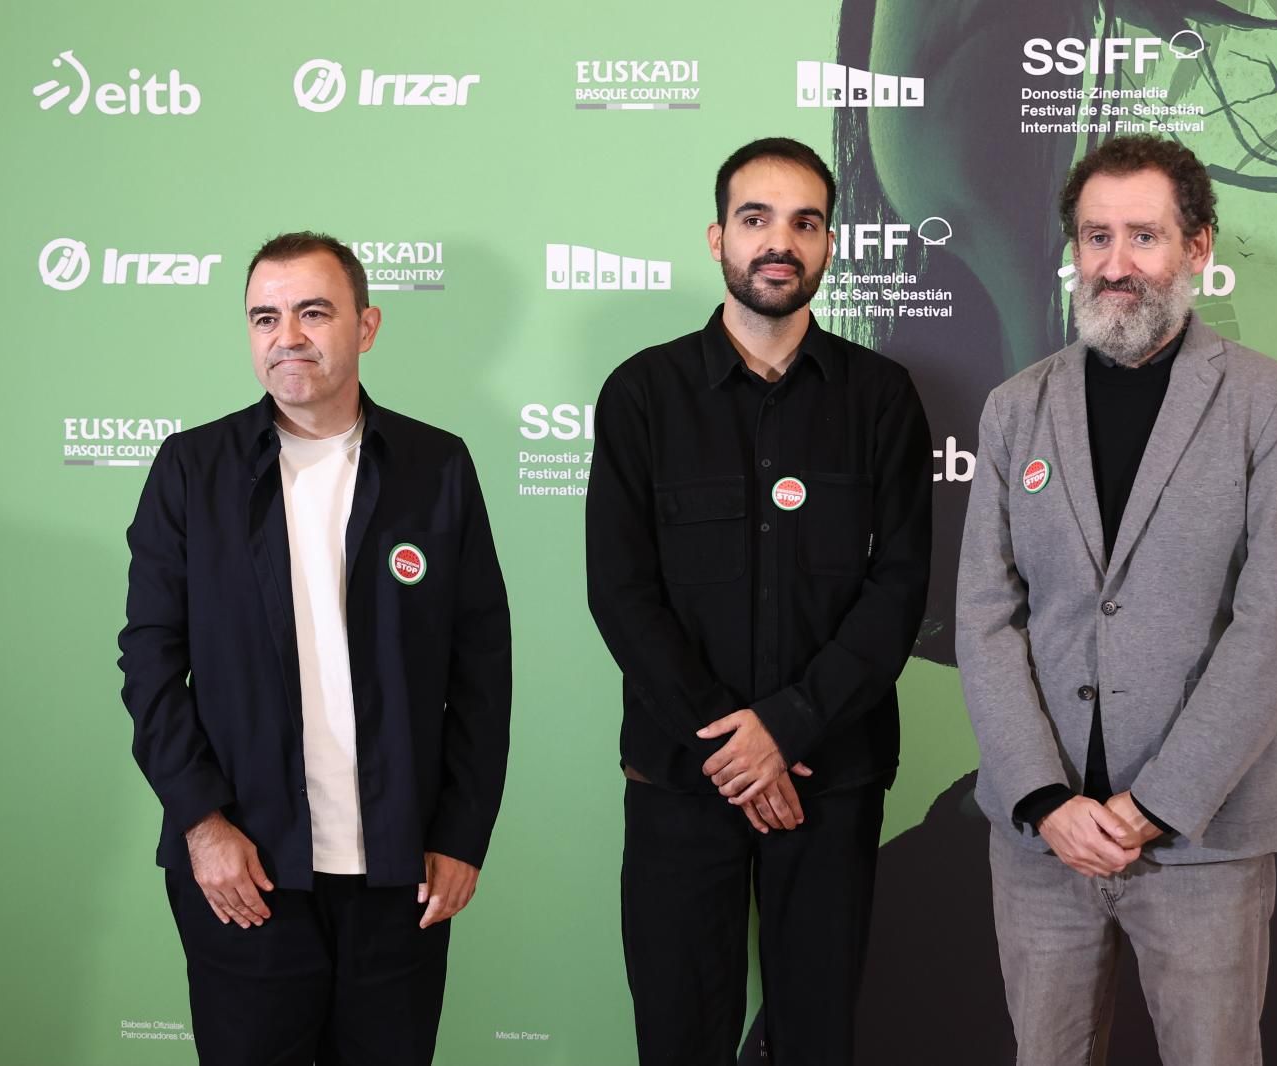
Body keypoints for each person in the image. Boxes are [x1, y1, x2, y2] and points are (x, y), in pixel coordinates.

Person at [956, 135, 1277, 1065]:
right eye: (1095, 237)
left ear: (1198, 247)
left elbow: (1275, 623)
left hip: (1202, 840)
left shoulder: (1270, 405)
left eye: (1143, 237)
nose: (1116, 265)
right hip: (1044, 844)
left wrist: (1154, 805)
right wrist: (1044, 799)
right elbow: (985, 617)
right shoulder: (1014, 409)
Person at [117, 231, 511, 1066]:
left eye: (312, 312)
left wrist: (462, 833)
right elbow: (150, 662)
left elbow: (482, 669)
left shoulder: (436, 466)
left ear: (366, 326)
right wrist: (201, 823)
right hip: (246, 872)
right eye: (265, 316)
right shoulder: (192, 469)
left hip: (399, 878)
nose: (286, 336)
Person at [585, 137, 932, 1065]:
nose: (779, 241)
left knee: (817, 1033)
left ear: (827, 246)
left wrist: (788, 727)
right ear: (717, 238)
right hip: (679, 777)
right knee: (678, 1032)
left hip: (834, 777)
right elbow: (620, 593)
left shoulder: (883, 399)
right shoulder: (642, 395)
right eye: (756, 219)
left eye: (804, 222)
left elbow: (897, 590)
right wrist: (732, 743)